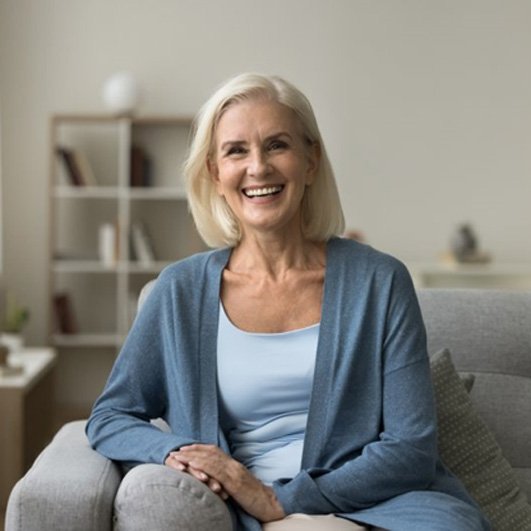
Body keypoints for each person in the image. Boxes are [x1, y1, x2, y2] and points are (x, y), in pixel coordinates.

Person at [86, 73, 490, 531]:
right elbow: (110, 416)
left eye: (277, 145)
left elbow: (411, 448)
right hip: (240, 511)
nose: (258, 167)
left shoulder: (380, 281)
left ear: (311, 161)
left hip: (379, 504)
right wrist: (172, 451)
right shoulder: (178, 292)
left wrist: (279, 499)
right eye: (236, 150)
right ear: (216, 174)